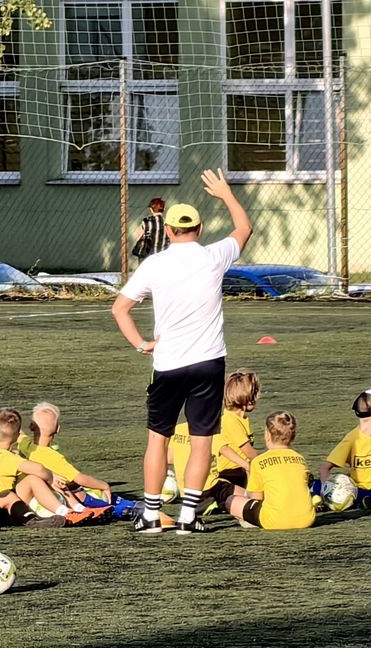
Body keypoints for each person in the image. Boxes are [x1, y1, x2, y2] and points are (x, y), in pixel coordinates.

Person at [112, 169, 254, 535]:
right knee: (201, 441)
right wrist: (226, 194)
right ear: (200, 229)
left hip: (169, 365)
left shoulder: (155, 263)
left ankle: (152, 514)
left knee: (157, 439)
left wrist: (141, 343)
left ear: (170, 231)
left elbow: (120, 308)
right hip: (208, 364)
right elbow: (244, 228)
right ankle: (189, 516)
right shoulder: (213, 256)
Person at [22, 402, 130, 520]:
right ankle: (119, 509)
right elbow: (79, 478)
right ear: (58, 429)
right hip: (53, 499)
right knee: (79, 491)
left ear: (31, 427)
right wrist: (104, 485)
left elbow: (13, 430)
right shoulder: (53, 458)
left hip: (27, 496)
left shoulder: (24, 444)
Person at [221, 411, 315, 531]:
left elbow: (257, 499)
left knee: (231, 501)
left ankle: (250, 522)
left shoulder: (259, 461)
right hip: (307, 519)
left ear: (267, 435)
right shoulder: (300, 459)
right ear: (293, 436)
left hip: (274, 521)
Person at [319, 389, 371, 509]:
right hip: (358, 489)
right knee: (320, 485)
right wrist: (324, 488)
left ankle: (366, 502)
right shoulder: (352, 439)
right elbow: (325, 467)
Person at [212, 369, 261, 490]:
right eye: (254, 394)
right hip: (231, 474)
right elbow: (250, 454)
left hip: (241, 471)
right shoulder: (231, 420)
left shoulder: (241, 419)